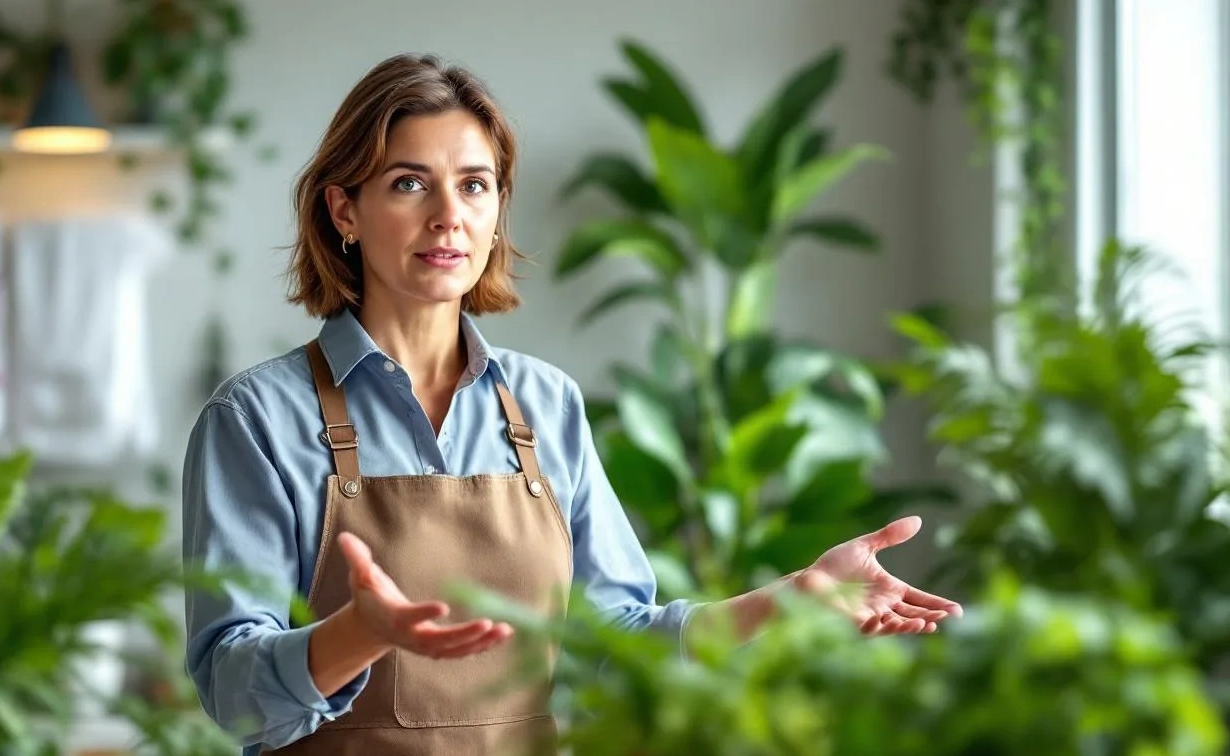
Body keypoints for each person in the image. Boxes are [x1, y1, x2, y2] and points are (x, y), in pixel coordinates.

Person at [181, 52, 962, 756]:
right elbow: (229, 688)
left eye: (474, 184)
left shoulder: (544, 405)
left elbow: (611, 643)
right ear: (343, 211)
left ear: (495, 213)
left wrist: (791, 599)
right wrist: (358, 634)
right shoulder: (256, 419)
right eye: (408, 182)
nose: (448, 214)